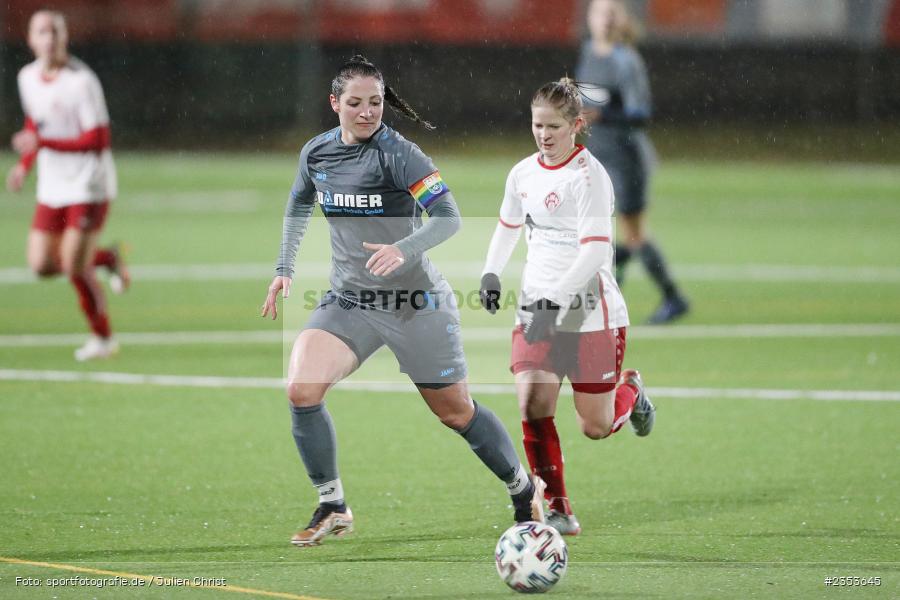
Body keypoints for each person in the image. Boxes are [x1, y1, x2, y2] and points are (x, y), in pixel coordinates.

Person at [261, 55, 543, 547]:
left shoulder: (400, 154)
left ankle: (523, 489)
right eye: (355, 103)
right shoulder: (317, 153)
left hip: (415, 303)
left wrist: (402, 248)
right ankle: (333, 504)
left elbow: (449, 218)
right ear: (335, 104)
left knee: (455, 412)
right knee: (301, 389)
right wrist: (284, 267)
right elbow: (299, 199)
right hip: (349, 300)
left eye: (375, 102)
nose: (368, 112)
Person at [479, 77, 656, 536]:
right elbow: (507, 225)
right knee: (533, 401)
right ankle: (557, 507)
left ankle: (631, 391)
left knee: (594, 426)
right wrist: (491, 271)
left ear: (577, 125)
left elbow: (594, 253)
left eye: (554, 126)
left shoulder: (589, 177)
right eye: (537, 125)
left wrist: (552, 302)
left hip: (589, 312)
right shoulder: (522, 173)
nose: (544, 135)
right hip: (536, 308)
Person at [7, 10, 129, 361]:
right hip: (53, 185)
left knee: (74, 266)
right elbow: (37, 123)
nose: (49, 39)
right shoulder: (27, 77)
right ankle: (107, 258)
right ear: (30, 39)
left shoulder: (81, 81)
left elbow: (98, 139)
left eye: (55, 32)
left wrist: (44, 146)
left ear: (65, 38)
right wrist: (24, 165)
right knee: (42, 264)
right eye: (42, 32)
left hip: (89, 184)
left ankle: (103, 339)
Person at [576, 0, 688, 324]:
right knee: (601, 230)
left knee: (633, 234)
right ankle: (612, 287)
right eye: (601, 13)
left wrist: (603, 113)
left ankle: (672, 296)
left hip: (627, 158)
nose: (606, 19)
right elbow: (587, 99)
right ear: (590, 18)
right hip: (600, 157)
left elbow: (640, 114)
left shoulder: (626, 61)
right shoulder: (588, 52)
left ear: (621, 19)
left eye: (613, 13)